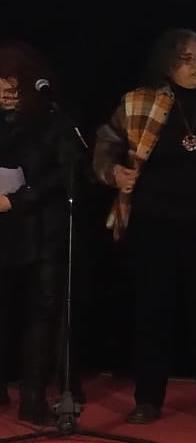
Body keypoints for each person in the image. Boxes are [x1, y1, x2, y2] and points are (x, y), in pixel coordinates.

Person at [93, 29, 196, 425]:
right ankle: (147, 399)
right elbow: (105, 144)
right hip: (154, 225)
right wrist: (114, 172)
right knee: (153, 313)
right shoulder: (140, 101)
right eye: (185, 58)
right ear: (167, 64)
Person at [0, 41, 78, 426]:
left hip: (42, 229)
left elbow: (64, 175)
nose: (7, 89)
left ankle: (33, 395)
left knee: (42, 311)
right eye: (1, 81)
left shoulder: (51, 120)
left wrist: (18, 200)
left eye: (14, 81)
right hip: (2, 230)